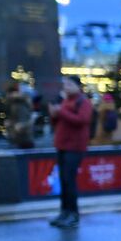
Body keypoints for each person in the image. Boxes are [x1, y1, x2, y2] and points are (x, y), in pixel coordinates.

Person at [48, 76, 93, 228]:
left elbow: (82, 120)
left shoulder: (83, 102)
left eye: (69, 84)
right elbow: (59, 122)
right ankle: (64, 212)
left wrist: (61, 112)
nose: (66, 87)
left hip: (75, 147)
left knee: (69, 180)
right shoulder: (65, 101)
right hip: (62, 145)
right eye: (65, 84)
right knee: (63, 181)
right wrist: (53, 114)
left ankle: (73, 214)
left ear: (78, 86)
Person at [5, 82, 34, 149]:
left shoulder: (19, 104)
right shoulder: (16, 103)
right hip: (19, 137)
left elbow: (27, 120)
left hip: (23, 138)